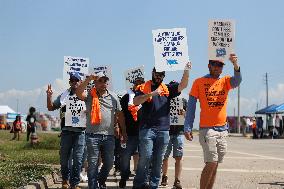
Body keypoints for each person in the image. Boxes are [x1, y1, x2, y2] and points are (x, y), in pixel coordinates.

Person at [184, 54, 241, 189]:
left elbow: (238, 81)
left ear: (222, 68)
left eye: (220, 65)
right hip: (207, 129)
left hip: (222, 129)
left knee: (216, 164)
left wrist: (235, 64)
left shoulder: (226, 81)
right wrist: (187, 127)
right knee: (211, 162)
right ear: (209, 65)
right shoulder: (199, 82)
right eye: (214, 64)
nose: (217, 67)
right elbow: (191, 106)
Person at [132, 62, 191, 189]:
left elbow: (183, 85)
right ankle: (139, 184)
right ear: (152, 73)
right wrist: (151, 94)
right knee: (146, 157)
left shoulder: (167, 89)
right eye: (157, 74)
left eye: (162, 75)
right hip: (147, 129)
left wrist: (186, 70)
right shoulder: (143, 87)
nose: (159, 77)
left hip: (163, 130)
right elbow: (135, 101)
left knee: (158, 160)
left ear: (164, 76)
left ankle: (153, 185)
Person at [76, 72, 126, 189]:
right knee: (93, 164)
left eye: (105, 81)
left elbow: (120, 115)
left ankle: (101, 180)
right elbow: (78, 93)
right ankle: (93, 186)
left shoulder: (113, 97)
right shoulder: (90, 95)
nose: (103, 83)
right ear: (95, 83)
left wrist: (123, 131)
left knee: (108, 163)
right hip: (92, 135)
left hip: (109, 136)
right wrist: (88, 79)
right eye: (100, 81)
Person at [46, 72, 86, 189]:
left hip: (80, 132)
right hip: (66, 132)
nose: (74, 82)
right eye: (72, 80)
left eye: (76, 80)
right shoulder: (64, 95)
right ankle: (65, 180)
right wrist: (49, 96)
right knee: (64, 158)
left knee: (78, 159)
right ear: (69, 82)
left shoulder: (86, 95)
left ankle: (74, 184)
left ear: (80, 82)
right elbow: (50, 107)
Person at [119, 77, 145, 188]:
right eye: (137, 83)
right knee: (125, 158)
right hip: (128, 133)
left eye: (141, 84)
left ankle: (140, 180)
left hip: (144, 134)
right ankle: (124, 176)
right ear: (133, 85)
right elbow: (121, 116)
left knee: (144, 158)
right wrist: (122, 131)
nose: (138, 86)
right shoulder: (125, 98)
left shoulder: (147, 97)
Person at [161, 89, 187, 189]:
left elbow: (187, 115)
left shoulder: (183, 101)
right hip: (167, 131)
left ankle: (177, 180)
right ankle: (164, 176)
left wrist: (183, 112)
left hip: (179, 132)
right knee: (165, 156)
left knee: (179, 157)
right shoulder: (165, 100)